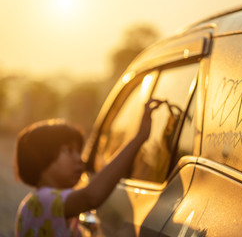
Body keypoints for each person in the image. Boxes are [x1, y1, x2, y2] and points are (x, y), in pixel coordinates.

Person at [14, 99, 163, 237]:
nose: (80, 158)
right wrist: (139, 138)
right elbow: (91, 197)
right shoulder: (41, 201)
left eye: (79, 151)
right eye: (68, 150)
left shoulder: (46, 202)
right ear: (42, 157)